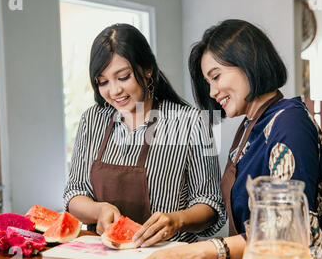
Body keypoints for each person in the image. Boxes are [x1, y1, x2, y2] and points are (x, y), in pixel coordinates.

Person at [124, 19, 322, 259]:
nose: (213, 91)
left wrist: (201, 252)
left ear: (248, 61)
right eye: (208, 82)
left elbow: (288, 232)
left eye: (216, 76)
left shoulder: (289, 123)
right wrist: (178, 221)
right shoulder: (252, 124)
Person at [63, 23, 226, 245]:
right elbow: (75, 191)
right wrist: (97, 210)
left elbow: (210, 203)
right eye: (103, 81)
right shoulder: (92, 120)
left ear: (147, 69)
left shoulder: (191, 122)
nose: (114, 91)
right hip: (103, 257)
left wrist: (177, 220)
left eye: (123, 77)